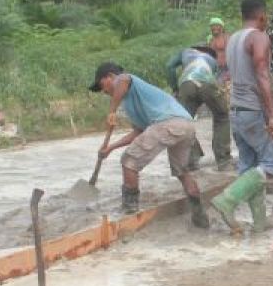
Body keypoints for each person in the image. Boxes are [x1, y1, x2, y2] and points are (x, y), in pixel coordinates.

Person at [89, 63, 210, 228]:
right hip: (186, 126)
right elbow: (139, 132)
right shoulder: (130, 102)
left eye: (102, 85)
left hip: (167, 123)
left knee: (129, 161)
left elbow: (123, 80)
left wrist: (112, 112)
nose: (103, 91)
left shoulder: (124, 80)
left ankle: (130, 212)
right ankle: (199, 215)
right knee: (182, 172)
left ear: (110, 76)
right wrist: (111, 147)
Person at [212, 0, 273, 235]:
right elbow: (263, 76)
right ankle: (228, 199)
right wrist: (272, 116)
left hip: (235, 110)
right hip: (252, 111)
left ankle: (259, 221)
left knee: (250, 166)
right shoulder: (258, 37)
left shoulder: (233, 39)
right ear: (262, 16)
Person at [164, 45, 231, 171]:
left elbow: (169, 66)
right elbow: (212, 83)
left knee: (183, 122)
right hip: (207, 83)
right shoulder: (212, 61)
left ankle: (191, 161)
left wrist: (175, 88)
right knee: (221, 117)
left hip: (186, 84)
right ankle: (223, 160)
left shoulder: (185, 52)